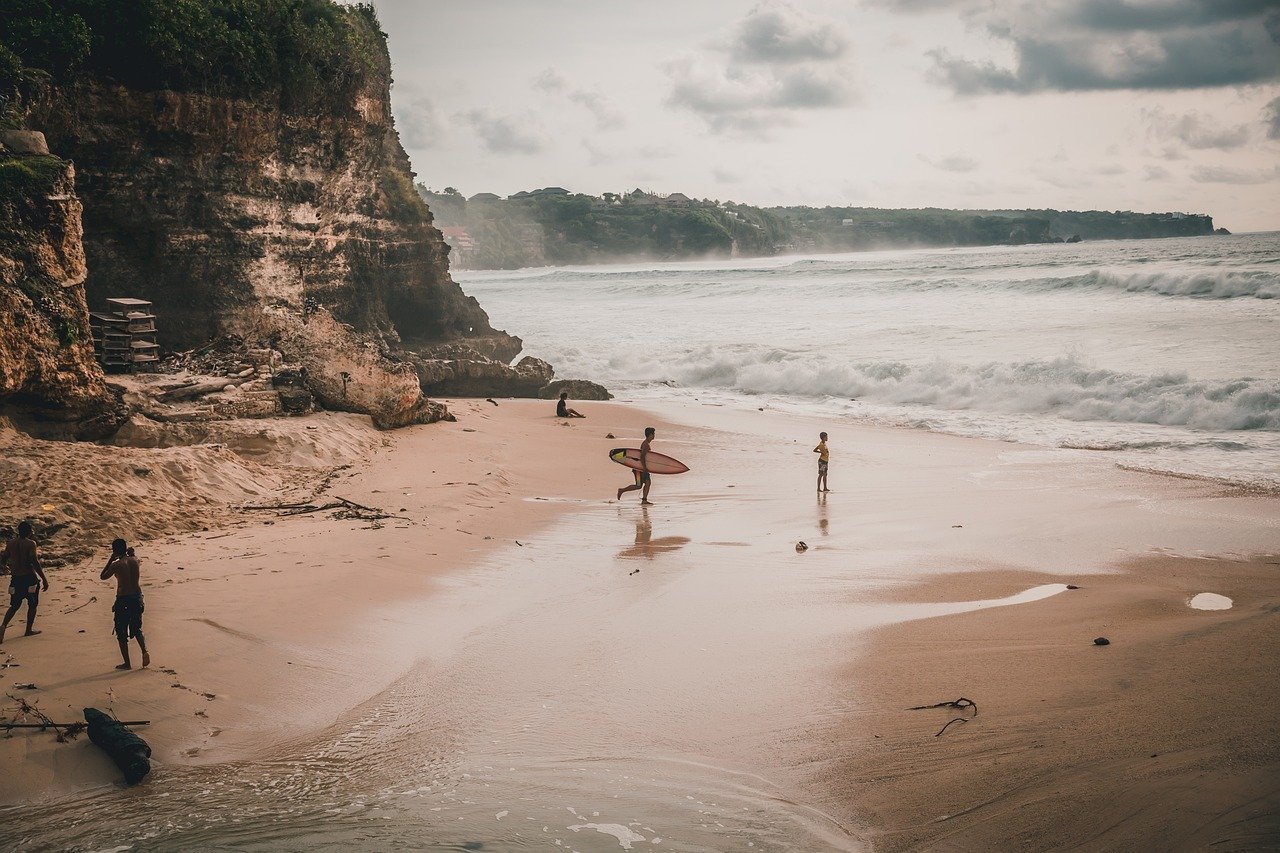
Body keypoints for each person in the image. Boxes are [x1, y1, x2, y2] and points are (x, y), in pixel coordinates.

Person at [101, 538, 149, 670]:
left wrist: (111, 559)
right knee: (137, 628)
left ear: (114, 551)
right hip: (137, 597)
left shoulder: (116, 564)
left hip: (124, 599)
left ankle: (127, 663)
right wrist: (130, 553)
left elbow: (103, 576)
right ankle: (144, 651)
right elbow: (132, 556)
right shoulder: (135, 560)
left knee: (121, 631)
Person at [1, 521, 49, 643]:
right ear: (29, 531)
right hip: (29, 578)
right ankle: (28, 630)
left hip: (16, 579)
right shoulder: (31, 543)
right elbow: (34, 562)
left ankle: (3, 625)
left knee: (14, 605)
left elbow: (4, 558)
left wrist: (5, 567)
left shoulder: (10, 543)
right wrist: (44, 578)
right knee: (32, 605)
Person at [617, 427, 656, 505]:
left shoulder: (646, 443)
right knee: (638, 486)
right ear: (651, 435)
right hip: (639, 469)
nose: (654, 435)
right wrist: (645, 468)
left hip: (642, 468)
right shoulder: (645, 445)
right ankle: (621, 490)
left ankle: (644, 500)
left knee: (648, 483)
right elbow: (642, 457)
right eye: (654, 434)